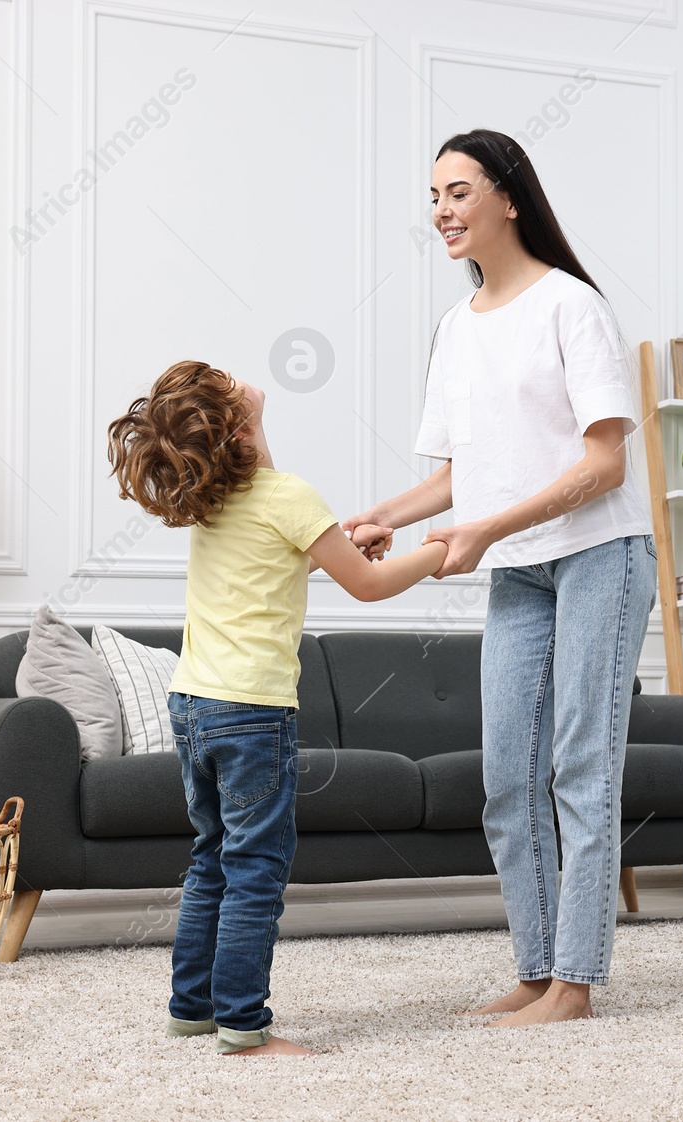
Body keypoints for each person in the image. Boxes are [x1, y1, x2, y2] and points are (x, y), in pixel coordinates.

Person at [344, 129, 655, 1026]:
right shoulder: (455, 328)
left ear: (508, 199)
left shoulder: (572, 307)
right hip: (517, 570)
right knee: (506, 778)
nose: (440, 210)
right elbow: (458, 475)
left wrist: (487, 528)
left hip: (600, 553)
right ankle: (535, 965)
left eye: (457, 192)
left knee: (580, 766)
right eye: (433, 196)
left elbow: (605, 466)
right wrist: (384, 518)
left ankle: (575, 981)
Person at [106, 361, 446, 1055]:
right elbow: (371, 587)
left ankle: (192, 1007)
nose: (239, 375)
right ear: (238, 425)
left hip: (194, 704)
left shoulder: (218, 501)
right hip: (251, 712)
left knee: (212, 859)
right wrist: (435, 552)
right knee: (256, 868)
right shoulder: (286, 495)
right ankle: (244, 1025)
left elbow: (277, 557)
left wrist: (342, 547)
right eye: (227, 383)